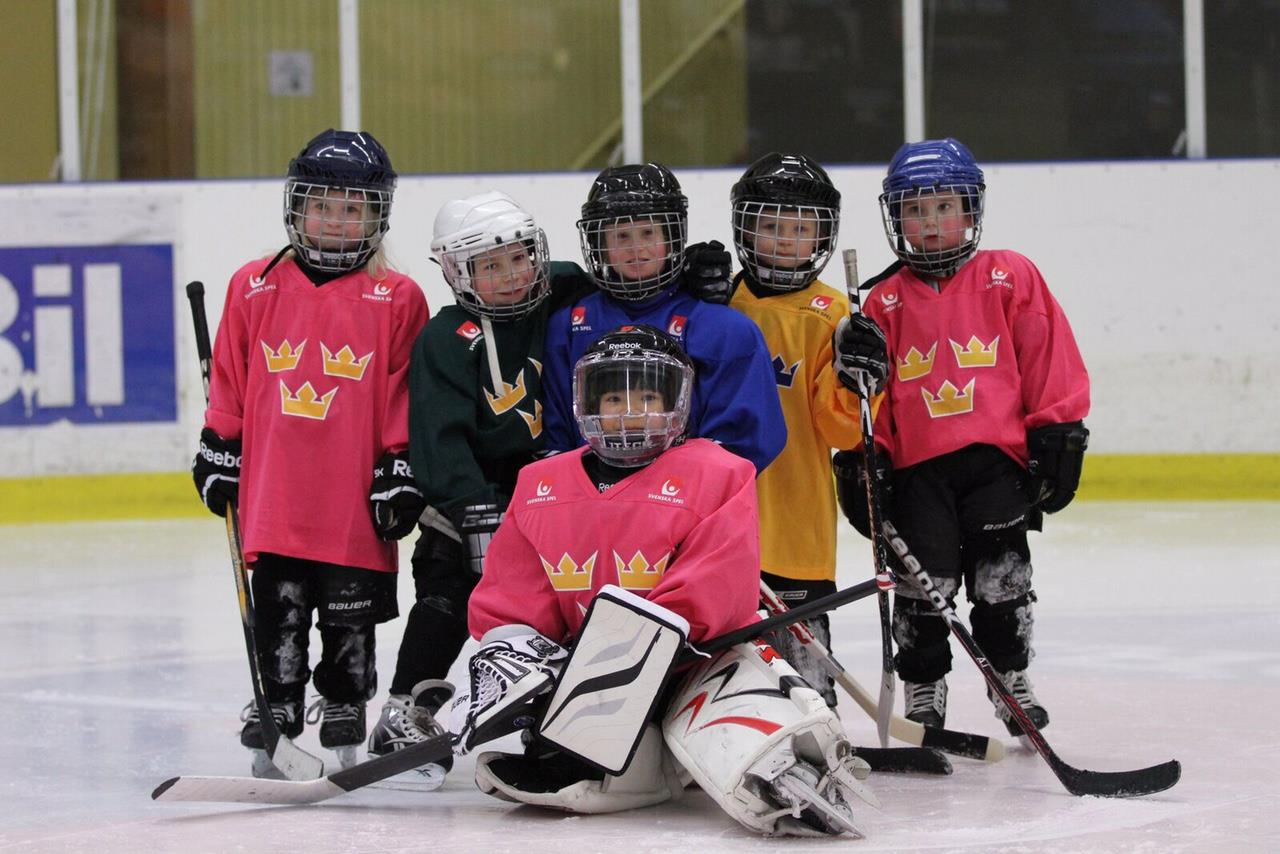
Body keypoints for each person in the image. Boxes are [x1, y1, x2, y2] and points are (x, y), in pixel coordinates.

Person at [451, 326, 875, 837]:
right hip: (576, 675)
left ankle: (773, 766)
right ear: (586, 401)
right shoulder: (541, 482)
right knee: (563, 734)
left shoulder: (719, 471)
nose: (630, 410)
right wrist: (523, 658)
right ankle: (599, 756)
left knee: (744, 733)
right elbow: (513, 594)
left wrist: (614, 656)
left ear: (677, 402)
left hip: (690, 663)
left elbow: (712, 588)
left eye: (647, 395)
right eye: (613, 395)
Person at [831, 137, 1090, 736]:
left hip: (996, 463)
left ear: (971, 209)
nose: (931, 222)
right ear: (896, 220)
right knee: (925, 588)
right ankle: (924, 690)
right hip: (921, 474)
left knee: (1004, 578)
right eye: (915, 211)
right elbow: (876, 402)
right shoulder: (884, 302)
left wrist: (1058, 429)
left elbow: (1046, 355)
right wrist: (869, 461)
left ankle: (1011, 681)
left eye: (944, 206)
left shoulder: (1010, 275)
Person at [191, 129, 429, 776]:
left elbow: (404, 389)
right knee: (280, 616)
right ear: (297, 207)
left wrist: (398, 464)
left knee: (350, 623)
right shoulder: (254, 286)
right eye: (323, 204)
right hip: (276, 501)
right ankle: (278, 706)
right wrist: (220, 445)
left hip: (352, 504)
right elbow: (232, 381)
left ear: (376, 215)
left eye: (352, 207)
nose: (335, 219)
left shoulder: (398, 297)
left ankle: (346, 708)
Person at [365, 191, 574, 787]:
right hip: (468, 499)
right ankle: (406, 709)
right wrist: (473, 506)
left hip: (543, 497)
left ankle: (547, 707)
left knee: (552, 608)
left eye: (518, 259)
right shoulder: (445, 339)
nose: (510, 276)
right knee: (447, 595)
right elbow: (437, 434)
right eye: (489, 265)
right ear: (459, 273)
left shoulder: (559, 294)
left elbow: (612, 278)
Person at [725, 152, 865, 706]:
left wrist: (860, 379)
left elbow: (842, 431)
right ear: (745, 228)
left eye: (801, 228)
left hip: (795, 520)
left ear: (822, 236)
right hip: (721, 523)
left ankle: (813, 723)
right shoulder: (718, 304)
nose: (785, 239)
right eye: (771, 225)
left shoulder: (832, 314)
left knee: (805, 681)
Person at [541, 162, 786, 475]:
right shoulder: (567, 327)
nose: (636, 249)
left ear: (672, 237)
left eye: (648, 233)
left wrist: (673, 491)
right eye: (621, 236)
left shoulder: (726, 330)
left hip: (687, 508)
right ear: (598, 246)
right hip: (593, 510)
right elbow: (555, 435)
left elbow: (746, 442)